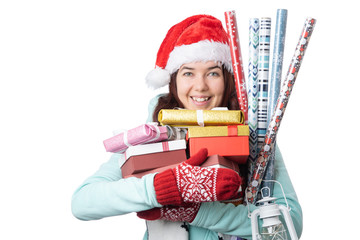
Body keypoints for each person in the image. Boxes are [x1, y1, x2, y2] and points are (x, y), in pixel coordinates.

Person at [72, 14, 303, 240]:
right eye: (188, 73)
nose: (200, 86)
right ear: (173, 80)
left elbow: (290, 227)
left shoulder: (252, 134)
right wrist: (161, 188)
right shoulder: (154, 134)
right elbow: (82, 202)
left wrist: (199, 213)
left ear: (228, 79)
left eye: (213, 73)